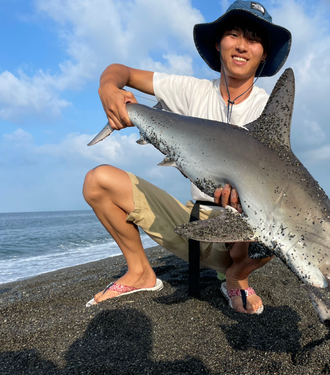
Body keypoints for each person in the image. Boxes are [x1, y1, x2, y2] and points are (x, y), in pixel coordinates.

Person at [82, 0, 292, 314]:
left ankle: (236, 278)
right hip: (190, 223)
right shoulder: (190, 90)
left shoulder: (267, 110)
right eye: (233, 34)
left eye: (253, 39)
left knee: (276, 225)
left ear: (264, 53)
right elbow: (121, 72)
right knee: (97, 181)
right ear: (219, 43)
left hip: (238, 237)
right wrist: (108, 88)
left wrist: (241, 201)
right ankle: (140, 271)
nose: (242, 46)